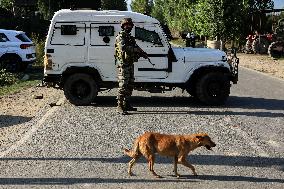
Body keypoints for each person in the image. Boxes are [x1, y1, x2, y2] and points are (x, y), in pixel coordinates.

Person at [114, 18, 148, 115]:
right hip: (123, 64)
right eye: (127, 25)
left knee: (130, 84)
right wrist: (136, 50)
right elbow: (123, 48)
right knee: (123, 85)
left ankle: (126, 104)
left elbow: (136, 46)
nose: (129, 26)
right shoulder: (120, 36)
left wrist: (142, 52)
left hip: (129, 63)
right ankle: (119, 106)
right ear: (123, 26)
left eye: (130, 25)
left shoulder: (129, 37)